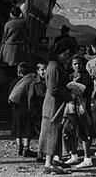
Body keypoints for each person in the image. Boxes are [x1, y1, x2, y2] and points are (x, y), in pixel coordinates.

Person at [38, 45, 74, 175]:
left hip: (56, 103)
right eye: (65, 54)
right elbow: (53, 89)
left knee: (54, 131)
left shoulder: (56, 65)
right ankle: (48, 163)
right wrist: (70, 95)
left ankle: (51, 162)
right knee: (51, 131)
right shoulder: (53, 67)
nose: (67, 58)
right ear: (58, 54)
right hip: (53, 104)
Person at [64, 55, 94, 168]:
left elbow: (84, 90)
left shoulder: (86, 76)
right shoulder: (71, 75)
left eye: (79, 63)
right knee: (70, 129)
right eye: (75, 64)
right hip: (71, 106)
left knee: (84, 131)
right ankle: (74, 154)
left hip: (82, 106)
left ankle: (87, 158)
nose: (77, 66)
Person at [8, 62, 38, 157]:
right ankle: (26, 148)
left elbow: (10, 94)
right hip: (26, 108)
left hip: (16, 108)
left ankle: (19, 147)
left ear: (18, 72)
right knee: (27, 128)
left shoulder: (14, 82)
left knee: (18, 128)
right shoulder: (30, 80)